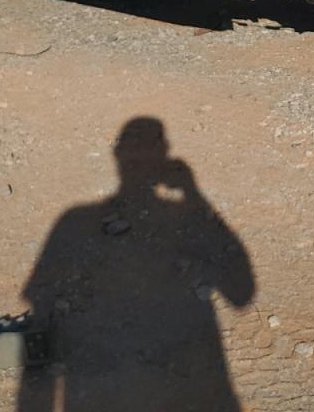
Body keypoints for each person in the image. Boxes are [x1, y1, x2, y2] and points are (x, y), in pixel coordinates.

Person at [19, 118, 254, 411]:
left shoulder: (74, 220)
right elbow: (242, 293)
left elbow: (242, 293)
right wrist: (194, 194)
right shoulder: (76, 220)